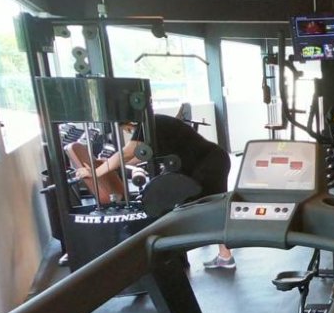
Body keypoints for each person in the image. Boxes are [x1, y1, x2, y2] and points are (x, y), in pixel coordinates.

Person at [75, 114, 236, 270]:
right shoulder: (152, 123)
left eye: (127, 130)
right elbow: (138, 156)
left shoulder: (147, 124)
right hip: (210, 160)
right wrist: (109, 165)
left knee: (213, 208)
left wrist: (96, 173)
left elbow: (127, 153)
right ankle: (224, 255)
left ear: (129, 124)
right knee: (213, 208)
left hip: (209, 163)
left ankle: (224, 255)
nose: (129, 133)